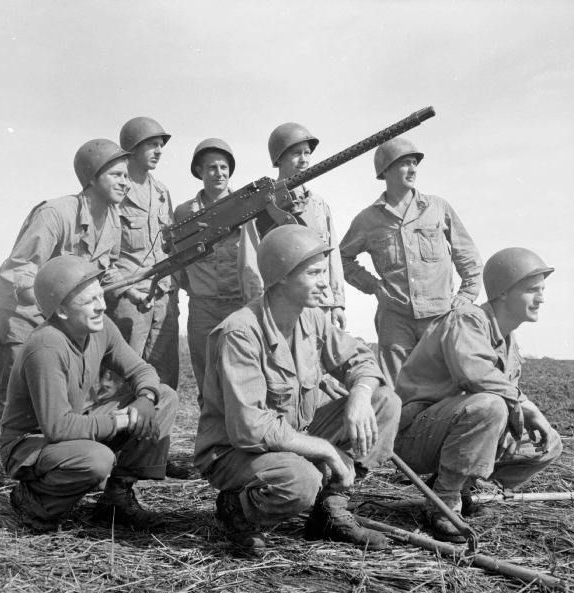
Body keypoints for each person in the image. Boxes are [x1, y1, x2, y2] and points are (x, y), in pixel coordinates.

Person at [194, 225, 401, 550]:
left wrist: (359, 397)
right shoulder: (240, 333)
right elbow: (251, 430)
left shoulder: (312, 317)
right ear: (284, 276)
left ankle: (330, 510)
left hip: (291, 435)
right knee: (302, 479)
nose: (325, 282)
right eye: (315, 273)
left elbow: (361, 359)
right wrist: (327, 450)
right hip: (233, 452)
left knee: (383, 401)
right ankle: (238, 510)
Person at [0, 255, 179, 533]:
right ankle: (34, 503)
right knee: (96, 459)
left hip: (69, 426)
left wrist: (145, 399)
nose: (101, 306)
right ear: (61, 311)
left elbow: (140, 370)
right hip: (29, 444)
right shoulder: (46, 346)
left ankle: (116, 499)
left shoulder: (100, 326)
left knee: (164, 396)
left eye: (100, 296)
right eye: (89, 302)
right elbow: (58, 427)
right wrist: (125, 419)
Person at [394, 247, 562, 542]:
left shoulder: (510, 344)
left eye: (542, 290)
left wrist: (513, 429)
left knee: (548, 443)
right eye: (532, 290)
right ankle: (443, 504)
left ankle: (459, 483)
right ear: (503, 292)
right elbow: (475, 376)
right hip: (414, 435)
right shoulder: (467, 319)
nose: (541, 298)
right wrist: (529, 408)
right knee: (491, 405)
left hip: (455, 429)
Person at [0, 139, 130, 421]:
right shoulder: (55, 214)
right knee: (21, 409)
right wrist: (62, 306)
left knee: (66, 404)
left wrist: (130, 290)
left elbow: (106, 268)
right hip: (21, 318)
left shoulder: (113, 219)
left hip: (60, 320)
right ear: (91, 177)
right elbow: (18, 272)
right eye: (116, 175)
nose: (125, 182)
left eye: (126, 176)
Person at [340, 138, 483, 387]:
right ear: (385, 171)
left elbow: (467, 255)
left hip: (439, 318)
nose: (413, 169)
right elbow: (341, 258)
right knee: (396, 390)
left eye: (414, 163)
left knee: (444, 387)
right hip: (395, 320)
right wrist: (373, 286)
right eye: (405, 163)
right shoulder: (368, 219)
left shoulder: (437, 208)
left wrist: (467, 294)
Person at [174, 138, 261, 399]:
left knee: (242, 376)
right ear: (200, 171)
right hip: (203, 307)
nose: (219, 173)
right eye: (212, 168)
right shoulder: (184, 213)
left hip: (240, 304)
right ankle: (211, 437)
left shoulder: (247, 205)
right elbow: (177, 260)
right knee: (206, 377)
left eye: (224, 167)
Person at [106, 117, 179, 390]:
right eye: (151, 144)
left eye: (161, 145)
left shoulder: (161, 192)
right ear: (132, 149)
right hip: (128, 297)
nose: (159, 151)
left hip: (162, 297)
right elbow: (104, 254)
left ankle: (158, 434)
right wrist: (125, 291)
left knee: (164, 378)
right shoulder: (116, 190)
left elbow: (169, 244)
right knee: (120, 379)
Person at [254, 122, 346, 329]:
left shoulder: (319, 205)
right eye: (296, 153)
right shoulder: (264, 205)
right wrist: (257, 306)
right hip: (282, 307)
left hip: (320, 303)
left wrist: (338, 303)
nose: (304, 159)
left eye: (307, 153)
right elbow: (251, 263)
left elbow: (333, 256)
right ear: (278, 158)